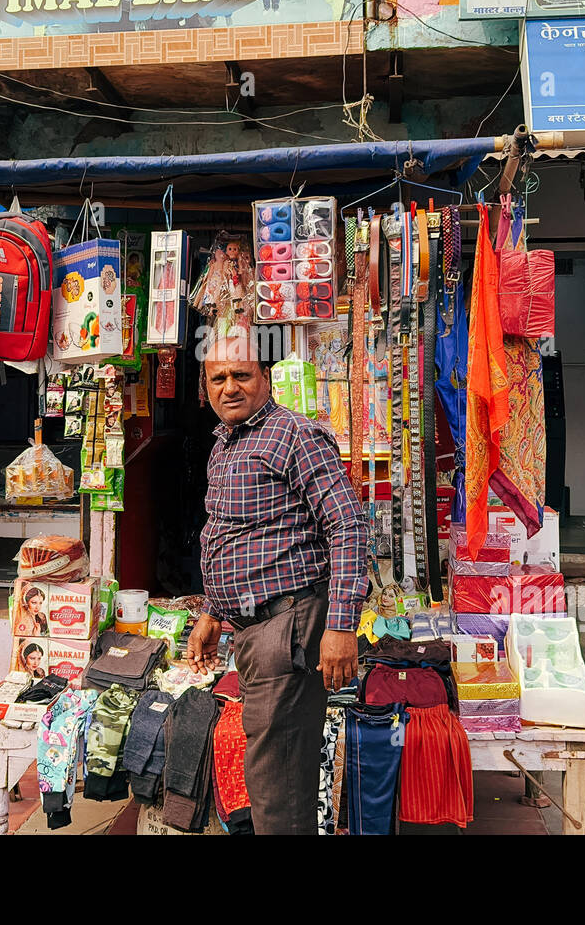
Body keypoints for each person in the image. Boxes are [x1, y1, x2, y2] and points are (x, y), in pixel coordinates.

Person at [186, 337, 367, 835]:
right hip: (249, 630)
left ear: (264, 378)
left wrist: (341, 627)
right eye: (218, 378)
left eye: (241, 375)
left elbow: (348, 526)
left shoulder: (295, 436)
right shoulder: (225, 442)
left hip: (285, 626)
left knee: (276, 785)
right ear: (206, 388)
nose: (230, 388)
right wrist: (211, 612)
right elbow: (228, 533)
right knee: (273, 775)